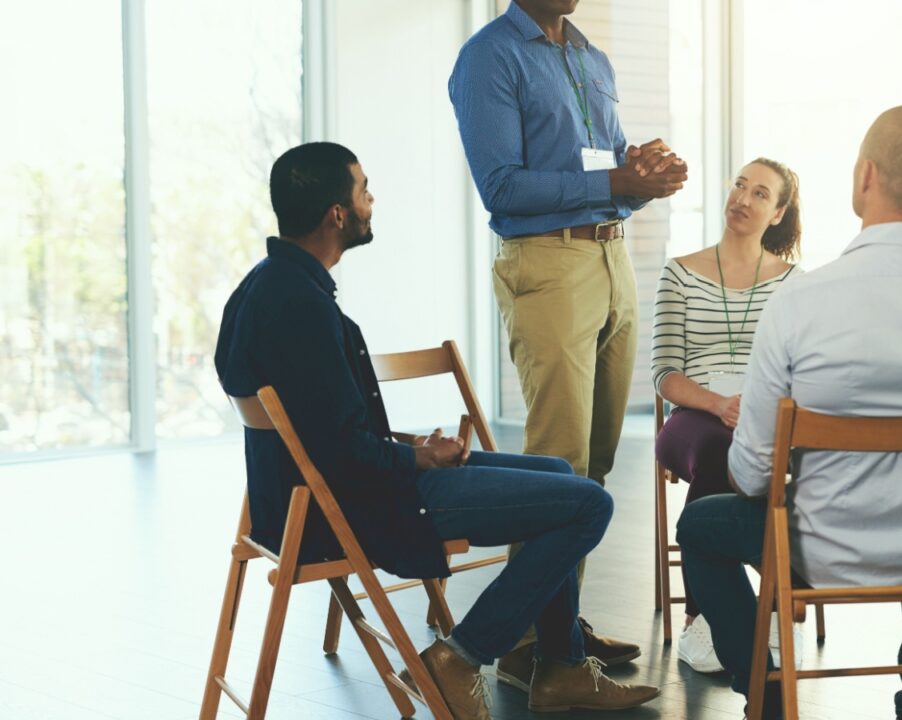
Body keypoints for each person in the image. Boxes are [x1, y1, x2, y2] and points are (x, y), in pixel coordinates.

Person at [214, 142, 661, 719]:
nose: (372, 202)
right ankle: (459, 658)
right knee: (587, 504)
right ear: (336, 214)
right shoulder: (301, 307)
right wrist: (415, 461)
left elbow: (323, 428)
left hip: (321, 492)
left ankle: (561, 667)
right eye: (363, 191)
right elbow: (341, 453)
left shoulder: (265, 285)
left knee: (557, 473)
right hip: (358, 506)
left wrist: (411, 447)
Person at [676, 105, 902, 720]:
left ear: (865, 176)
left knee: (700, 528)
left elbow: (752, 474)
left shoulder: (799, 302)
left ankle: (767, 689)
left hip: (814, 550)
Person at [448, 0, 688, 685]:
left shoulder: (592, 58)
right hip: (547, 265)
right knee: (558, 465)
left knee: (597, 463)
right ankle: (532, 647)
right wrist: (616, 179)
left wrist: (640, 178)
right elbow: (502, 187)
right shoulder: (489, 56)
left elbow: (605, 173)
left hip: (613, 259)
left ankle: (559, 625)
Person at [651, 157, 803, 672]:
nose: (743, 198)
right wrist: (719, 404)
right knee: (719, 448)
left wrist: (759, 408)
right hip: (694, 415)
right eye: (740, 185)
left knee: (801, 455)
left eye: (761, 193)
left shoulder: (793, 283)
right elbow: (665, 374)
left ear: (778, 213)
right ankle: (708, 621)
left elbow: (799, 368)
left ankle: (770, 611)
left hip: (764, 413)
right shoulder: (680, 272)